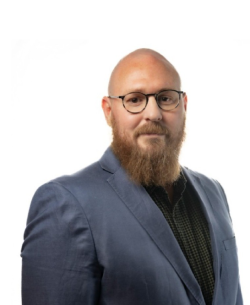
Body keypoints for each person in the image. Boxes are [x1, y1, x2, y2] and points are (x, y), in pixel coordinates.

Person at [21, 48, 243, 305]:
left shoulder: (214, 192)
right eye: (135, 99)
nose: (153, 113)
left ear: (183, 105)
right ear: (108, 111)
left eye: (166, 98)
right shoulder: (65, 204)